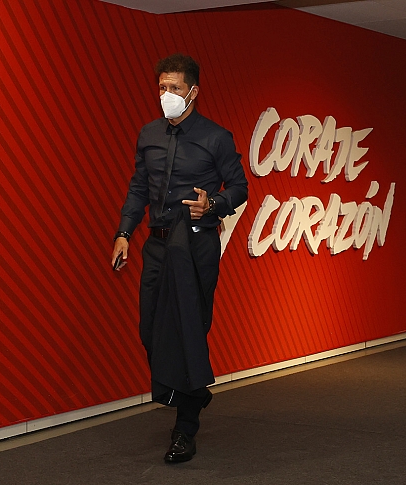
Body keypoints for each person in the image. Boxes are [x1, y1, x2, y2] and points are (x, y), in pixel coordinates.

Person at [111, 53, 248, 463]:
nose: (166, 94)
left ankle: (185, 428)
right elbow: (138, 187)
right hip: (157, 245)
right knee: (150, 329)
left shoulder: (216, 137)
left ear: (193, 92)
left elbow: (239, 187)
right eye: (162, 87)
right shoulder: (148, 134)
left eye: (174, 88)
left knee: (189, 331)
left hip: (195, 246)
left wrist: (214, 204)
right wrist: (124, 233)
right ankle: (195, 392)